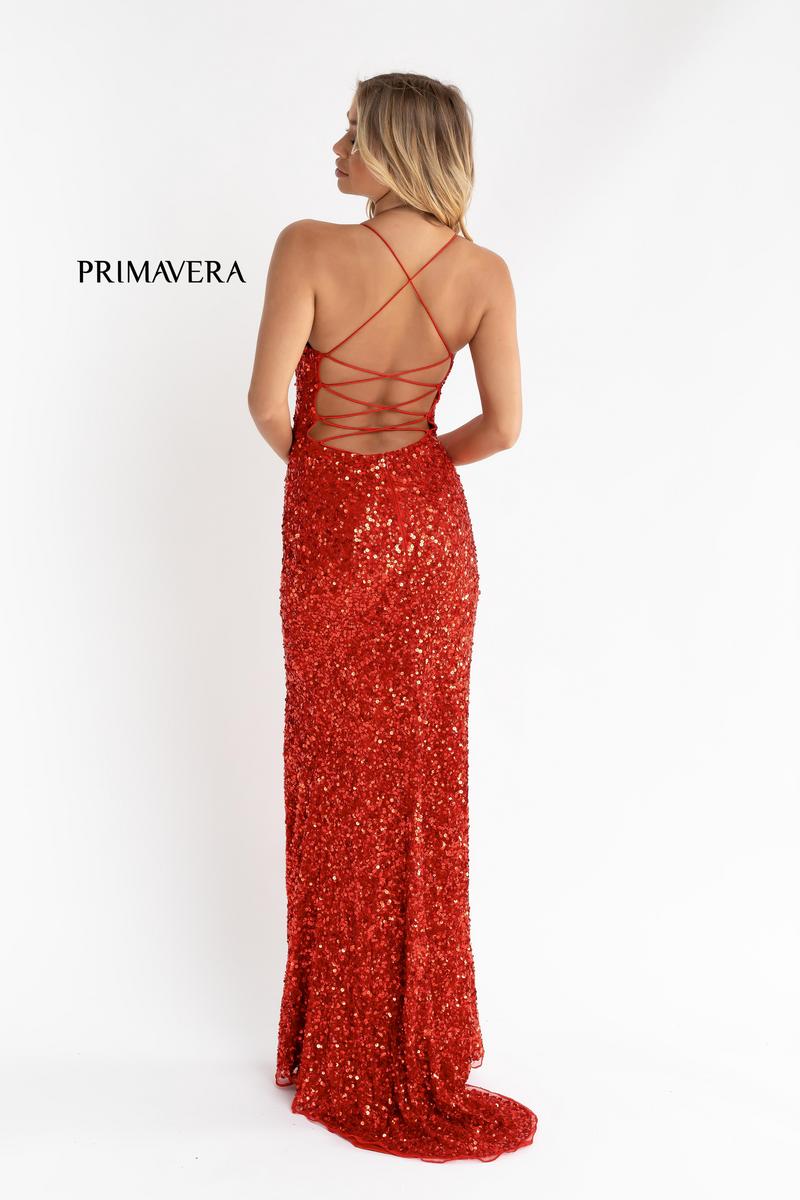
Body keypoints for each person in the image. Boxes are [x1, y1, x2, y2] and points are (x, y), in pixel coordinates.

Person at [247, 71, 537, 1162]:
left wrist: (339, 483)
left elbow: (265, 405)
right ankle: (415, 1040)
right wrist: (410, 473)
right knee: (419, 783)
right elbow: (502, 428)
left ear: (401, 150)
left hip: (329, 531)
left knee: (332, 775)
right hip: (431, 539)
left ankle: (334, 1043)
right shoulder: (483, 273)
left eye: (355, 135)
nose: (337, 150)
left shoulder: (305, 247)